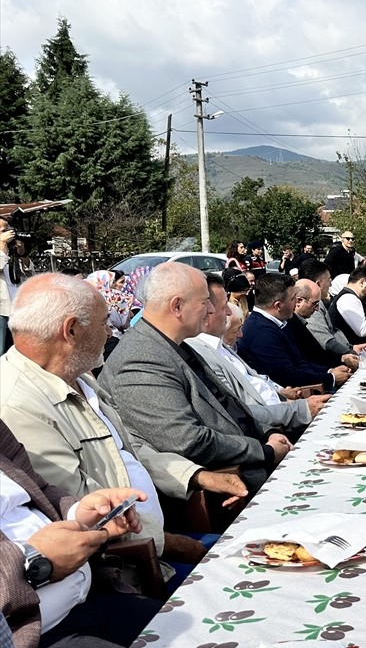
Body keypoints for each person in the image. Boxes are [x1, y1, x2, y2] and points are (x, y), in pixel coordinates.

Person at [0, 274, 250, 571]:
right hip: (133, 563)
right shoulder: (18, 405)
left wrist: (196, 476)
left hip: (158, 539)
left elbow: (128, 449)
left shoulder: (76, 375)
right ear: (71, 331)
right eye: (103, 323)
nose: (109, 333)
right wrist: (171, 543)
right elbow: (83, 508)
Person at [0, 418, 161, 648]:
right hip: (29, 646)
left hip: (94, 595)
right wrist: (35, 562)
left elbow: (36, 488)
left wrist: (80, 513)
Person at [100, 263, 292, 494]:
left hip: (250, 466)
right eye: (205, 301)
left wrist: (267, 432)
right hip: (236, 482)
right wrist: (264, 451)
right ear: (177, 306)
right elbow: (185, 440)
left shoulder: (175, 345)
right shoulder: (140, 360)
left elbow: (229, 410)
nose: (211, 309)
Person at [185, 275, 326, 438]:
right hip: (274, 429)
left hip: (284, 412)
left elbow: (256, 381)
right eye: (225, 307)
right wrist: (299, 409)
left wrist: (280, 392)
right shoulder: (202, 355)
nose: (230, 311)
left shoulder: (220, 346)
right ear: (206, 313)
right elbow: (236, 412)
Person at [238, 272, 351, 392]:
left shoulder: (277, 323)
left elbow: (301, 362)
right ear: (278, 306)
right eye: (293, 299)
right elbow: (288, 376)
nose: (295, 304)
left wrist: (329, 371)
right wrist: (331, 378)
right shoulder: (261, 332)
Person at [0, 218, 23, 354]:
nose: (9, 234)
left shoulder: (8, 251)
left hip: (14, 308)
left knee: (13, 352)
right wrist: (2, 245)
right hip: (1, 310)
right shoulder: (2, 250)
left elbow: (23, 275)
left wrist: (20, 253)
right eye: (3, 231)